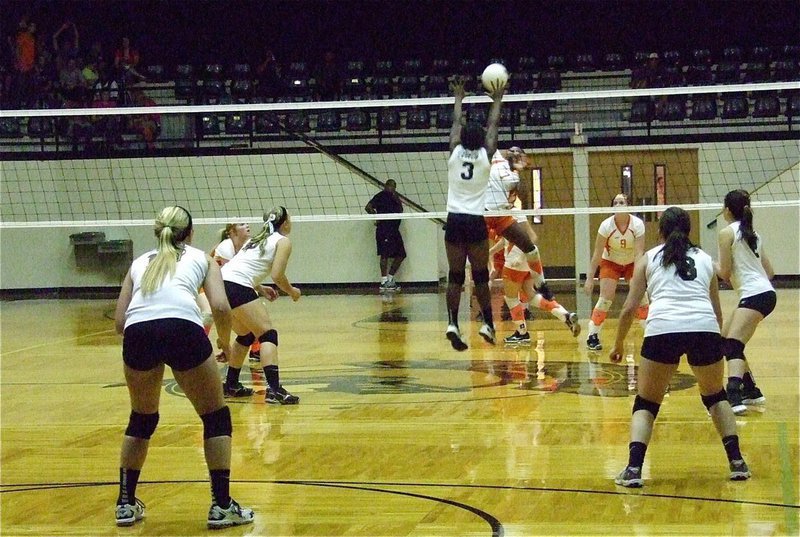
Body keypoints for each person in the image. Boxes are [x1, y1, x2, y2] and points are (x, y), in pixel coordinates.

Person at [113, 206, 254, 528]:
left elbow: (120, 323)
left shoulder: (138, 263)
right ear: (190, 233)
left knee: (142, 418)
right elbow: (219, 305)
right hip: (182, 330)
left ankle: (125, 503)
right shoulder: (202, 259)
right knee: (215, 417)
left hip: (138, 334)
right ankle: (221, 506)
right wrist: (222, 341)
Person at [610, 206, 750, 488]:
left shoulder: (648, 259)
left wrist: (618, 344)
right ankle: (737, 462)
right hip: (704, 328)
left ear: (660, 231)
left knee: (647, 403)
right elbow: (717, 311)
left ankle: (634, 468)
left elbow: (628, 309)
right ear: (689, 231)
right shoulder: (705, 260)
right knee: (715, 396)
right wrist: (718, 341)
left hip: (663, 329)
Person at [443, 76, 504, 351]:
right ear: (481, 140)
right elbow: (494, 125)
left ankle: (452, 323)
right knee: (480, 275)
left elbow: (456, 123)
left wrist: (459, 96)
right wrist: (497, 99)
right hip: (474, 222)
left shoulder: (455, 152)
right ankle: (487, 323)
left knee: (455, 276)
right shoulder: (485, 156)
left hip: (454, 220)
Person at [220, 207, 301, 404]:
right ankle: (274, 391)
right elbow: (277, 276)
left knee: (246, 334)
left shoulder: (255, 239)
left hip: (221, 286)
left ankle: (231, 385)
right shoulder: (283, 241)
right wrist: (292, 291)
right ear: (284, 223)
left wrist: (261, 289)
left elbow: (239, 269)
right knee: (268, 334)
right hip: (236, 287)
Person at [714, 189, 775, 414]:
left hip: (754, 295)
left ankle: (734, 397)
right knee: (726, 340)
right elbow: (770, 272)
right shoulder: (753, 233)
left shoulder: (726, 232)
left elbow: (724, 271)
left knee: (733, 345)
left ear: (727, 210)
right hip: (764, 293)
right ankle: (751, 390)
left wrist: (707, 263)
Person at [486, 146, 554, 300]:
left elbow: (522, 193)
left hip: (503, 216)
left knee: (531, 249)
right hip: (485, 213)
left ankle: (541, 284)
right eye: (514, 155)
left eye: (519, 156)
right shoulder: (496, 159)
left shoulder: (514, 177)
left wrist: (516, 168)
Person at [583, 193, 649, 351]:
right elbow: (597, 253)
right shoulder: (606, 226)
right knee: (606, 298)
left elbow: (639, 253)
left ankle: (650, 334)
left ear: (628, 205)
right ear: (612, 207)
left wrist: (640, 277)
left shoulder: (638, 224)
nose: (618, 204)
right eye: (616, 202)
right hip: (610, 262)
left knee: (641, 297)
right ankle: (592, 335)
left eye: (622, 202)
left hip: (632, 262)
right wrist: (590, 279)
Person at [490, 235, 580, 345]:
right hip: (526, 256)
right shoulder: (509, 221)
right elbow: (507, 238)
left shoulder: (514, 218)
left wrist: (519, 256)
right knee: (530, 295)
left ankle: (521, 333)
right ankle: (564, 315)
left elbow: (529, 234)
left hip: (516, 257)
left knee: (511, 298)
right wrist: (492, 251)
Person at [365, 179, 406, 290]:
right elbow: (368, 207)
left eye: (394, 186)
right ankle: (383, 281)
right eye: (390, 186)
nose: (392, 188)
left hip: (394, 230)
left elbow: (401, 210)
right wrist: (376, 216)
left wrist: (396, 198)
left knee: (401, 254)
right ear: (385, 186)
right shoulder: (380, 196)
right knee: (384, 255)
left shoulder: (395, 197)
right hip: (384, 230)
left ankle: (390, 278)